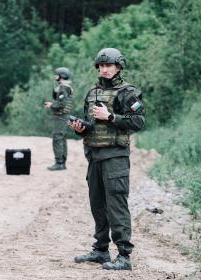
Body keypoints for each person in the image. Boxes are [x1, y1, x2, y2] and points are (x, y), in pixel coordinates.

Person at [70, 48, 145, 270]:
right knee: (97, 204)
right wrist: (80, 128)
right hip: (94, 155)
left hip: (115, 156)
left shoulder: (128, 92)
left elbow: (139, 121)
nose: (104, 69)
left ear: (118, 67)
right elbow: (90, 124)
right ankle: (101, 250)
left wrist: (111, 116)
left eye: (108, 65)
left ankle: (124, 256)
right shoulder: (92, 93)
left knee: (116, 204)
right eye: (101, 66)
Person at [44, 67, 74, 171]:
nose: (55, 77)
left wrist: (51, 105)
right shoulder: (65, 86)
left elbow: (62, 103)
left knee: (57, 137)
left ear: (62, 76)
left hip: (61, 116)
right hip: (63, 115)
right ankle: (62, 162)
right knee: (62, 137)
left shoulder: (64, 87)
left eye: (57, 75)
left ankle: (59, 163)